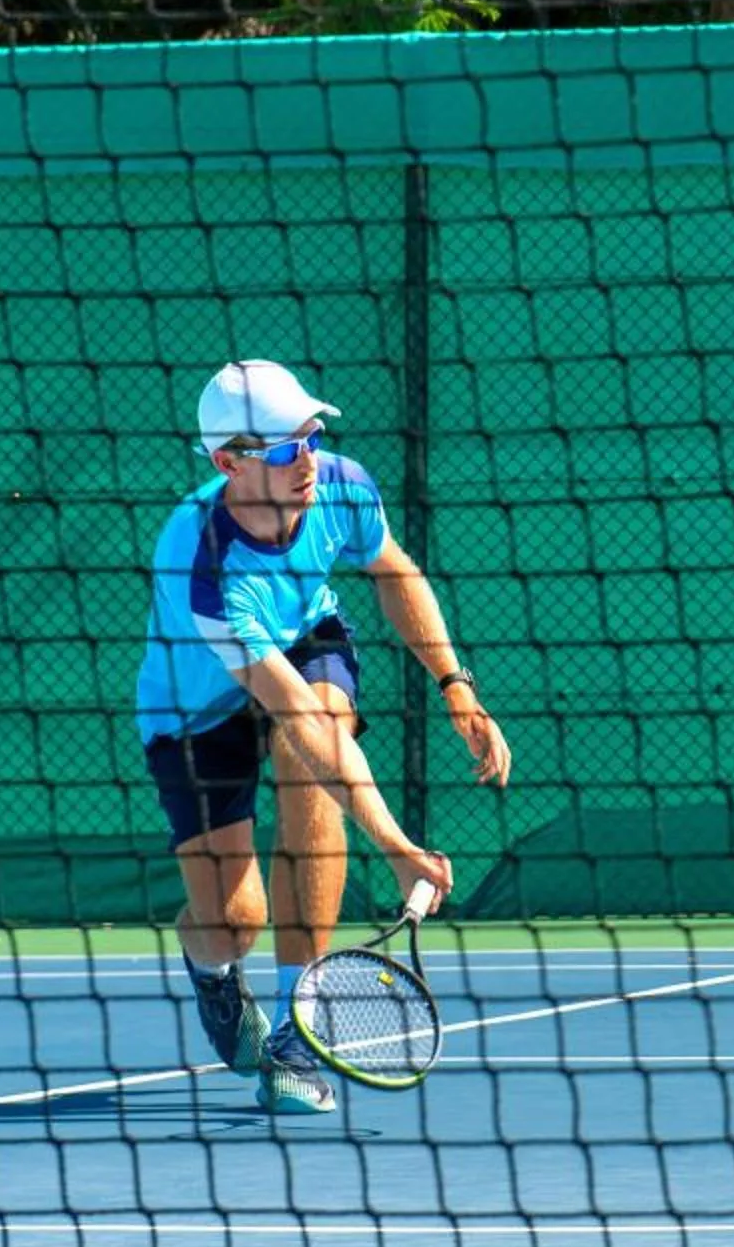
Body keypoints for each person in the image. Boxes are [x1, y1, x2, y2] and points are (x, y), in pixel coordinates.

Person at [135, 358, 513, 1113]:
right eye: (281, 449)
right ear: (228, 464)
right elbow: (296, 721)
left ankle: (292, 1028)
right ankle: (214, 973)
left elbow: (392, 570)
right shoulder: (200, 563)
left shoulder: (340, 483)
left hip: (306, 639)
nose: (304, 457)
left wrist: (455, 685)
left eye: (309, 435)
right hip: (194, 712)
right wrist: (399, 847)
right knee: (231, 922)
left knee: (321, 740)